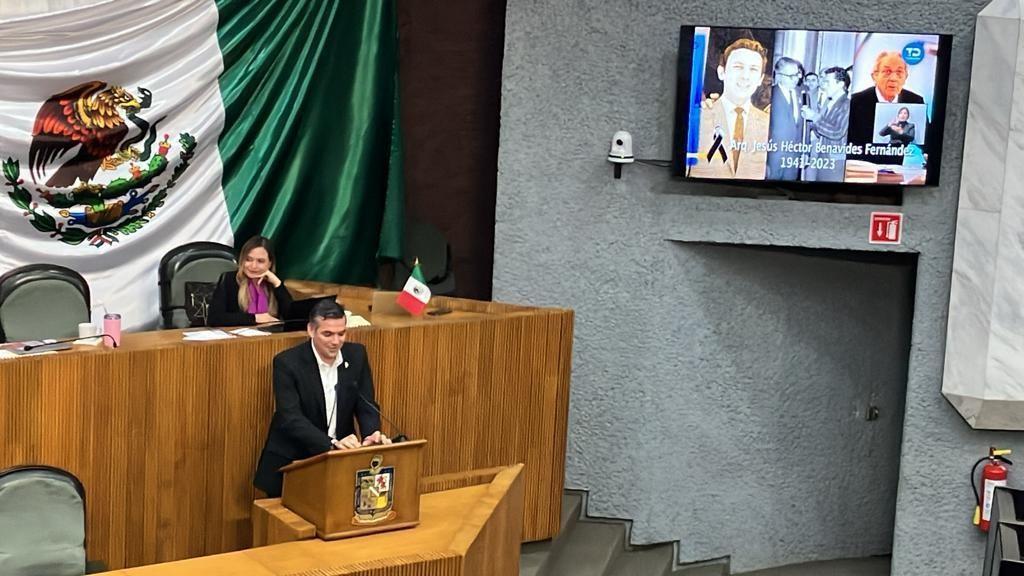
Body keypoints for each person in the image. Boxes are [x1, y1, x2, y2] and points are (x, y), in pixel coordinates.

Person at [253, 299, 391, 497]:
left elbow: (366, 403)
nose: (336, 341)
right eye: (327, 334)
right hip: (294, 462)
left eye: (341, 333)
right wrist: (331, 443)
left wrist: (371, 434)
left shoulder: (356, 355)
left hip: (337, 464)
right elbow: (290, 417)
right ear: (311, 330)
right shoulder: (287, 363)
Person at [691, 37, 770, 180]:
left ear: (760, 79)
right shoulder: (697, 119)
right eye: (738, 67)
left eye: (753, 69)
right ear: (722, 72)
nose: (745, 76)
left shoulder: (770, 126)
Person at [208, 235, 293, 327]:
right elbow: (214, 319)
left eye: (260, 261)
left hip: (270, 338)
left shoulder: (273, 283)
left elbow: (292, 317)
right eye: (248, 259)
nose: (253, 266)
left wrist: (277, 284)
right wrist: (255, 318)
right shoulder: (229, 279)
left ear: (270, 263)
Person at [848, 52, 923, 151]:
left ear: (906, 77)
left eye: (899, 73)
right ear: (875, 76)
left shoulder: (916, 101)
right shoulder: (855, 102)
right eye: (887, 72)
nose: (893, 78)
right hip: (863, 163)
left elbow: (928, 144)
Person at [800, 66, 851, 182]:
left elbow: (837, 132)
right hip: (824, 158)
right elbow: (822, 131)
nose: (823, 84)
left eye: (827, 82)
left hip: (835, 161)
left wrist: (814, 116)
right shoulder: (831, 102)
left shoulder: (846, 104)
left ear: (840, 84)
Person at [767, 57, 805, 180]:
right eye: (791, 76)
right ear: (779, 76)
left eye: (797, 74)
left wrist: (805, 151)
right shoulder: (768, 95)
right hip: (773, 158)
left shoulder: (803, 95)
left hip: (794, 156)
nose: (797, 79)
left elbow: (805, 125)